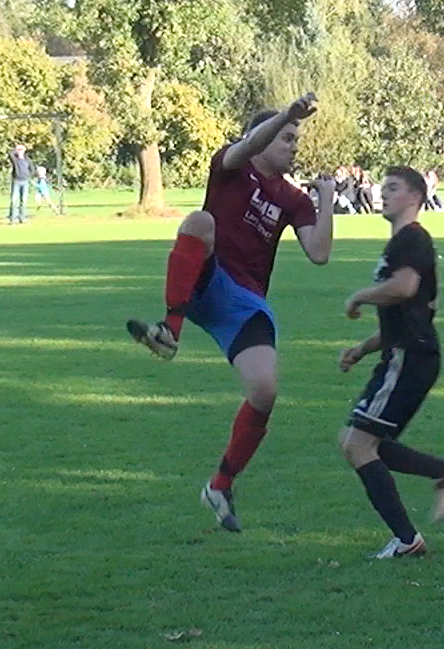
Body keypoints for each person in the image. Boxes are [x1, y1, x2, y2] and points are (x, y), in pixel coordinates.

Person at [126, 93, 336, 532]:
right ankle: (171, 330)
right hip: (206, 275)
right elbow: (245, 147)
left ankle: (220, 485)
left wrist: (327, 199)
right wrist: (286, 113)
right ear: (261, 139)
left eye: (297, 137)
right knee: (200, 222)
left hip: (244, 303)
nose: (294, 144)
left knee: (265, 391)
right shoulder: (232, 165)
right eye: (286, 136)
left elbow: (319, 253)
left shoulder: (294, 199)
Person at [338, 166, 444, 559]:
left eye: (392, 188)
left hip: (410, 357)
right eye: (382, 187)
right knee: (358, 441)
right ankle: (443, 471)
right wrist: (362, 348)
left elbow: (405, 288)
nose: (382, 194)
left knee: (359, 445)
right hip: (405, 353)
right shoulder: (402, 243)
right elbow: (410, 313)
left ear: (414, 197)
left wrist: (361, 295)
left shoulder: (411, 238)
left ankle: (407, 540)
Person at [8, 144, 36, 224]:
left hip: (25, 181)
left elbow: (32, 169)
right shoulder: (15, 159)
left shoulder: (27, 160)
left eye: (22, 150)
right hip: (16, 181)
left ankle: (22, 218)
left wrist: (28, 176)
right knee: (14, 200)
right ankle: (12, 218)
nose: (20, 151)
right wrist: (16, 149)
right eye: (19, 150)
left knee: (23, 200)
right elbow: (10, 154)